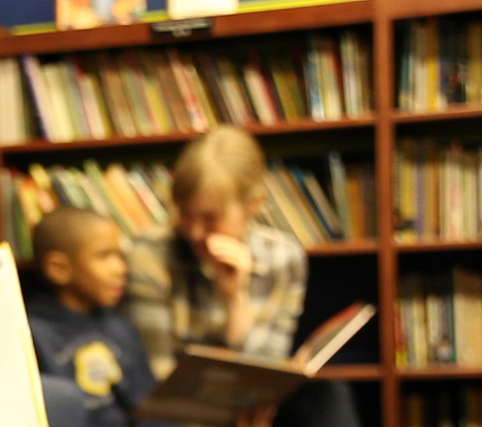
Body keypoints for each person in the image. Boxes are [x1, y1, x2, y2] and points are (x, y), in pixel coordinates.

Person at [123, 126, 359, 427]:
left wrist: (235, 298)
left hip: (249, 410)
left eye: (210, 218)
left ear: (252, 206)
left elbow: (265, 369)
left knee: (327, 394)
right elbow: (158, 375)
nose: (195, 232)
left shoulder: (283, 257)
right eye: (185, 214)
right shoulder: (148, 254)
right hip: (175, 413)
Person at [28, 208, 155, 427]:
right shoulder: (31, 333)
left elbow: (152, 410)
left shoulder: (120, 327)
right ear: (59, 268)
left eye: (121, 256)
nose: (120, 269)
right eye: (104, 256)